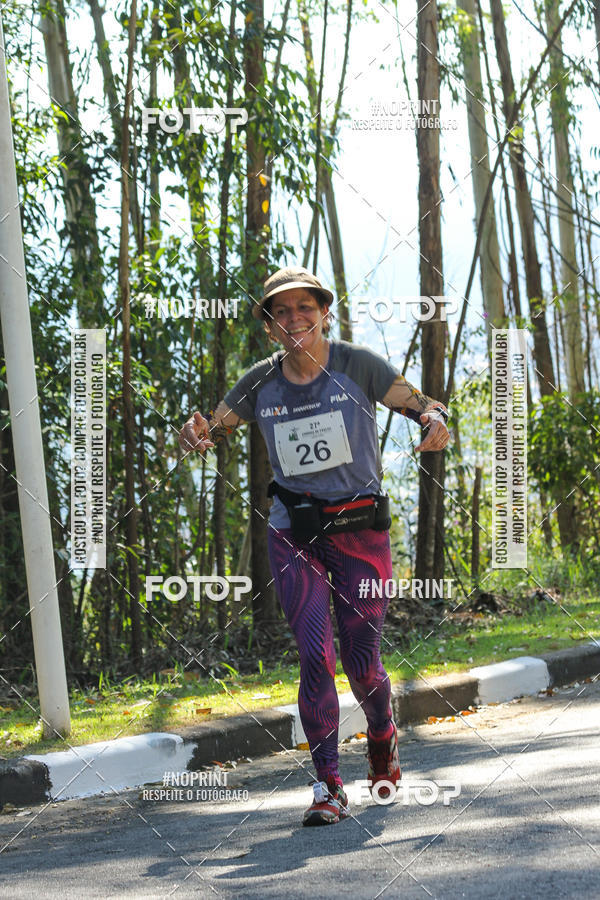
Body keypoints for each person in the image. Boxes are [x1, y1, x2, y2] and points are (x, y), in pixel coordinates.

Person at [179, 266, 450, 826]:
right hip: (295, 532)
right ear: (271, 325)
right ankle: (328, 783)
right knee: (313, 655)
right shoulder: (260, 382)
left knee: (362, 661)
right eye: (282, 311)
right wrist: (195, 431)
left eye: (305, 307)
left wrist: (434, 418)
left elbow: (423, 404)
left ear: (324, 312)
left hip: (361, 534)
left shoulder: (358, 365)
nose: (295, 318)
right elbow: (213, 428)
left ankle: (381, 732)